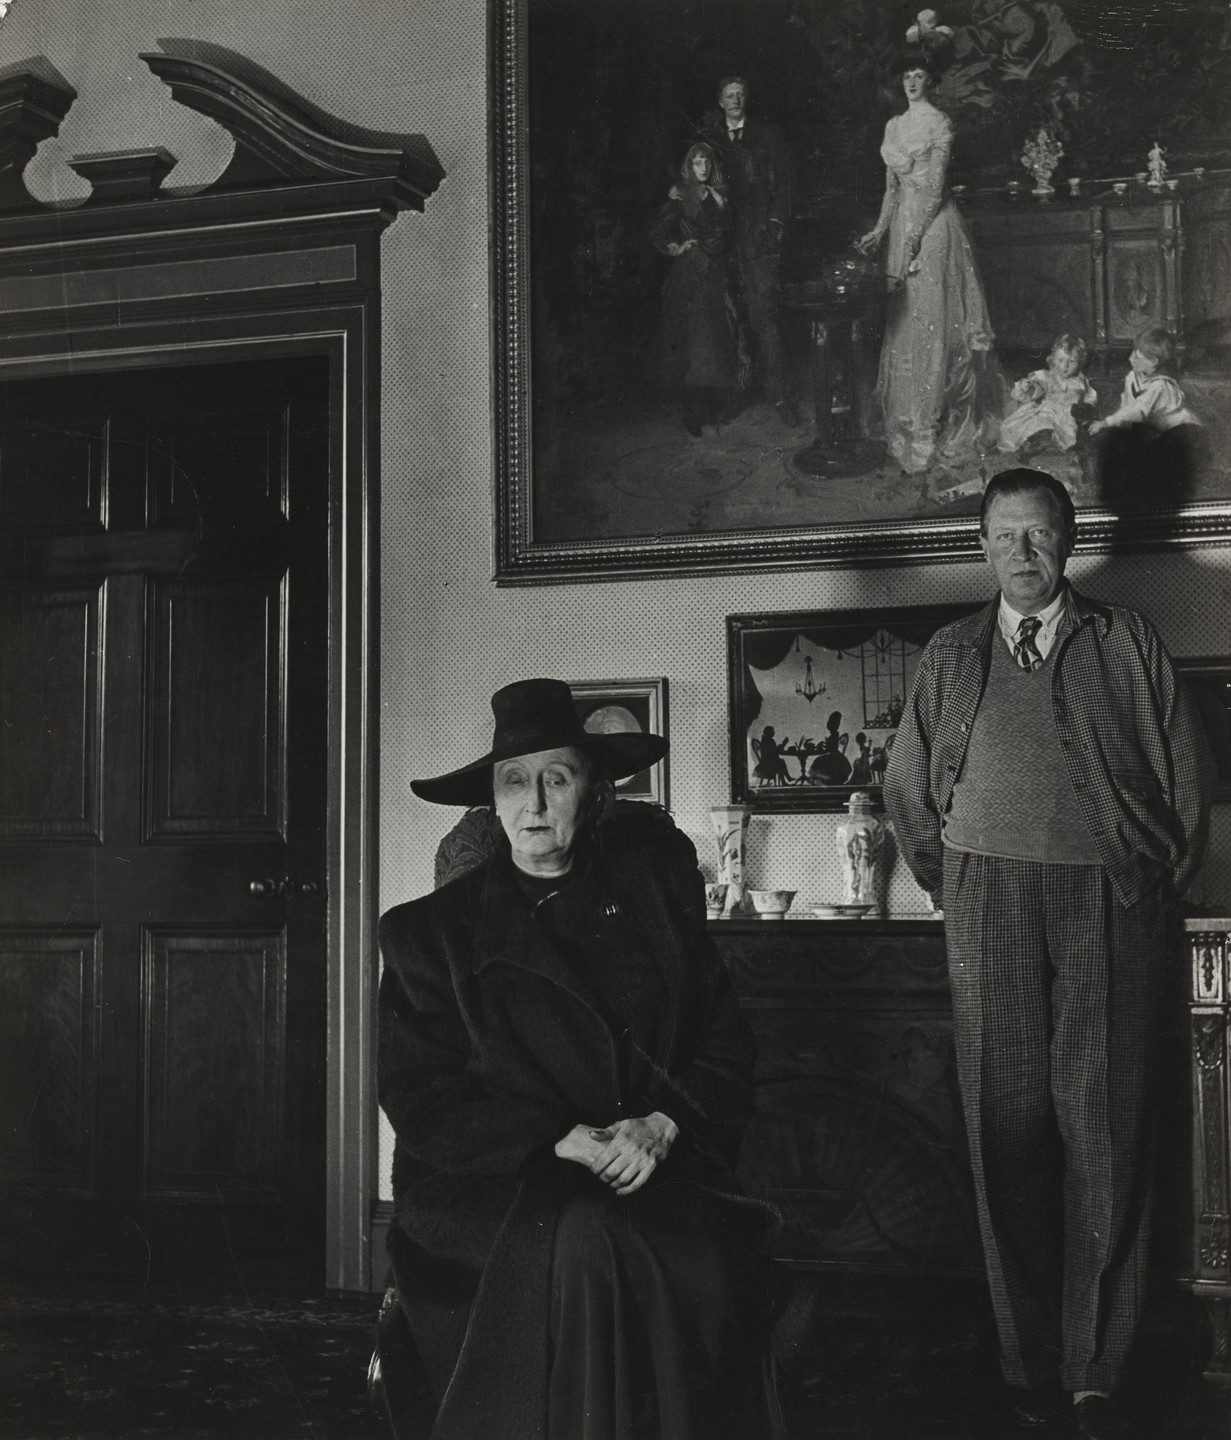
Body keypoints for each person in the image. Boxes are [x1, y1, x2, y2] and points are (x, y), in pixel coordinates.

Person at [884, 467, 1215, 1440]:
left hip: (1109, 901)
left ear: (1067, 539)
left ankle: (1093, 1369)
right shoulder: (950, 653)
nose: (1021, 554)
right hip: (985, 901)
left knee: (1105, 1134)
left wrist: (1148, 887)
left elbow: (1182, 779)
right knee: (1007, 1134)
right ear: (981, 546)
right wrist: (954, 884)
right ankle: (1027, 1361)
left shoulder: (1124, 641)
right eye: (1003, 536)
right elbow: (908, 791)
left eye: (1036, 534)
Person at [377, 678, 776, 1440]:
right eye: (513, 782)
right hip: (492, 1178)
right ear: (491, 802)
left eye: (555, 779)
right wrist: (556, 1138)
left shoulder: (656, 905)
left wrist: (661, 1124)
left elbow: (725, 1047)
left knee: (658, 1242)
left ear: (591, 792)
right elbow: (420, 1096)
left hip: (646, 1159)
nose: (534, 804)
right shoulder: (429, 934)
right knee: (591, 1239)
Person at [856, 48, 1002, 474]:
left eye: (919, 75)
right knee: (906, 323)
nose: (912, 82)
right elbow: (892, 189)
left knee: (936, 323)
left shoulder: (939, 123)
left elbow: (935, 189)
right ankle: (911, 418)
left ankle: (931, 424)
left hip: (935, 229)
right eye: (907, 75)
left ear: (930, 82)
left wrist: (916, 237)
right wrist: (880, 230)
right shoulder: (893, 126)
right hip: (903, 226)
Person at [704, 75, 798, 426]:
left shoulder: (767, 135)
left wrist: (775, 223)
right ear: (720, 102)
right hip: (724, 242)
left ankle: (780, 395)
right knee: (733, 320)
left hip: (759, 239)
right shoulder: (711, 142)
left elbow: (786, 184)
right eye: (729, 95)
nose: (735, 100)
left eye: (740, 94)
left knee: (765, 316)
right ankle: (741, 391)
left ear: (746, 100)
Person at [650, 141, 741, 436]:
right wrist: (676, 247)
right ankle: (693, 414)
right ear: (688, 166)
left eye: (707, 162)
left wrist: (722, 206)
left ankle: (713, 408)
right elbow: (657, 232)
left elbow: (727, 234)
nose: (703, 167)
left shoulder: (717, 194)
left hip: (715, 273)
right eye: (697, 162)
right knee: (696, 342)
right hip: (691, 274)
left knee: (717, 339)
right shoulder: (680, 194)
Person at [1090, 326, 1203, 507]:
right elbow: (1128, 406)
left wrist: (1106, 422)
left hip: (1178, 428)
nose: (1130, 358)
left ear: (1154, 361)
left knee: (1165, 466)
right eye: (1132, 353)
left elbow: (1138, 410)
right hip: (1152, 427)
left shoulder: (1161, 385)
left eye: (1137, 356)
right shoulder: (1132, 377)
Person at [998, 333, 1097, 455]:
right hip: (1049, 413)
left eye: (1072, 361)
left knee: (1078, 435)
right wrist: (1027, 387)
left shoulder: (1081, 380)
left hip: (1071, 417)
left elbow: (1089, 396)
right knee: (1041, 425)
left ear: (1080, 362)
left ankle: (1049, 443)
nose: (1065, 366)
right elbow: (1036, 389)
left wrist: (1087, 406)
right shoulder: (1048, 376)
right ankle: (1035, 442)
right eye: (1060, 360)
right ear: (1053, 359)